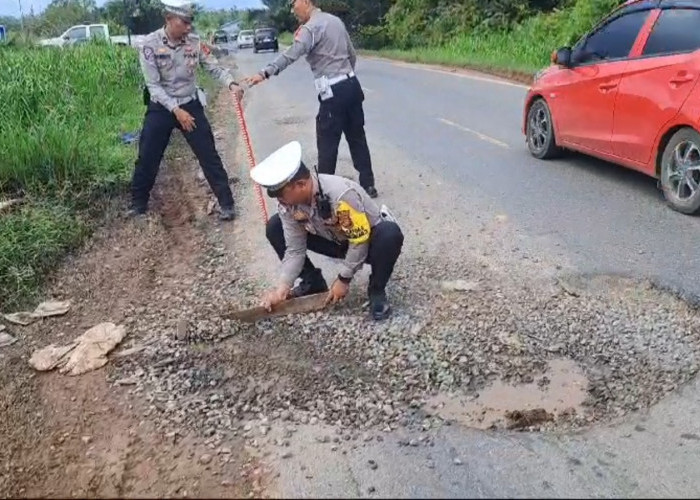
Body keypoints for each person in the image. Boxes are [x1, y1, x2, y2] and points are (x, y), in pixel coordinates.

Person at [250, 141, 404, 321]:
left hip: (366, 242)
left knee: (390, 233)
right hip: (335, 243)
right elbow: (295, 249)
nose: (280, 201)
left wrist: (344, 279)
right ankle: (313, 283)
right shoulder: (288, 205)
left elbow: (359, 239)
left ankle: (376, 290)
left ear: (301, 184)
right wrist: (282, 287)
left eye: (282, 195)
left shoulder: (341, 195)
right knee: (274, 226)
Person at [242, 0, 379, 199]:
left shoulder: (310, 28)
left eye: (293, 4)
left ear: (306, 1)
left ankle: (323, 192)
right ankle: (368, 185)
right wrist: (344, 75)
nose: (292, 9)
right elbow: (351, 54)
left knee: (327, 143)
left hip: (333, 91)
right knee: (357, 137)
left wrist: (265, 72)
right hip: (352, 86)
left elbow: (291, 54)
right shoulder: (335, 21)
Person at [129, 0, 244, 220]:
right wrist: (176, 111)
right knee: (148, 156)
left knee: (208, 154)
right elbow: (153, 86)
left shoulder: (194, 41)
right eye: (184, 22)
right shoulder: (150, 44)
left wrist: (231, 83)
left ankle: (227, 204)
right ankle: (138, 204)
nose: (188, 27)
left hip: (190, 103)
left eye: (190, 22)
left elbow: (212, 67)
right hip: (162, 106)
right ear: (169, 19)